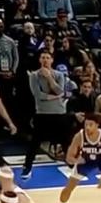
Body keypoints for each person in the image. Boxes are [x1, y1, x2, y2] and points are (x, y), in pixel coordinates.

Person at [21, 51, 68, 180]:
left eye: (48, 58)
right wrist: (55, 97)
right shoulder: (34, 75)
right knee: (35, 142)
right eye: (43, 57)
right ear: (40, 60)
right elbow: (38, 95)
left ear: (52, 60)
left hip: (59, 112)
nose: (45, 60)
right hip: (42, 113)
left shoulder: (59, 75)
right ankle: (27, 167)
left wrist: (49, 78)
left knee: (65, 140)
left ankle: (72, 164)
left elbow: (60, 90)